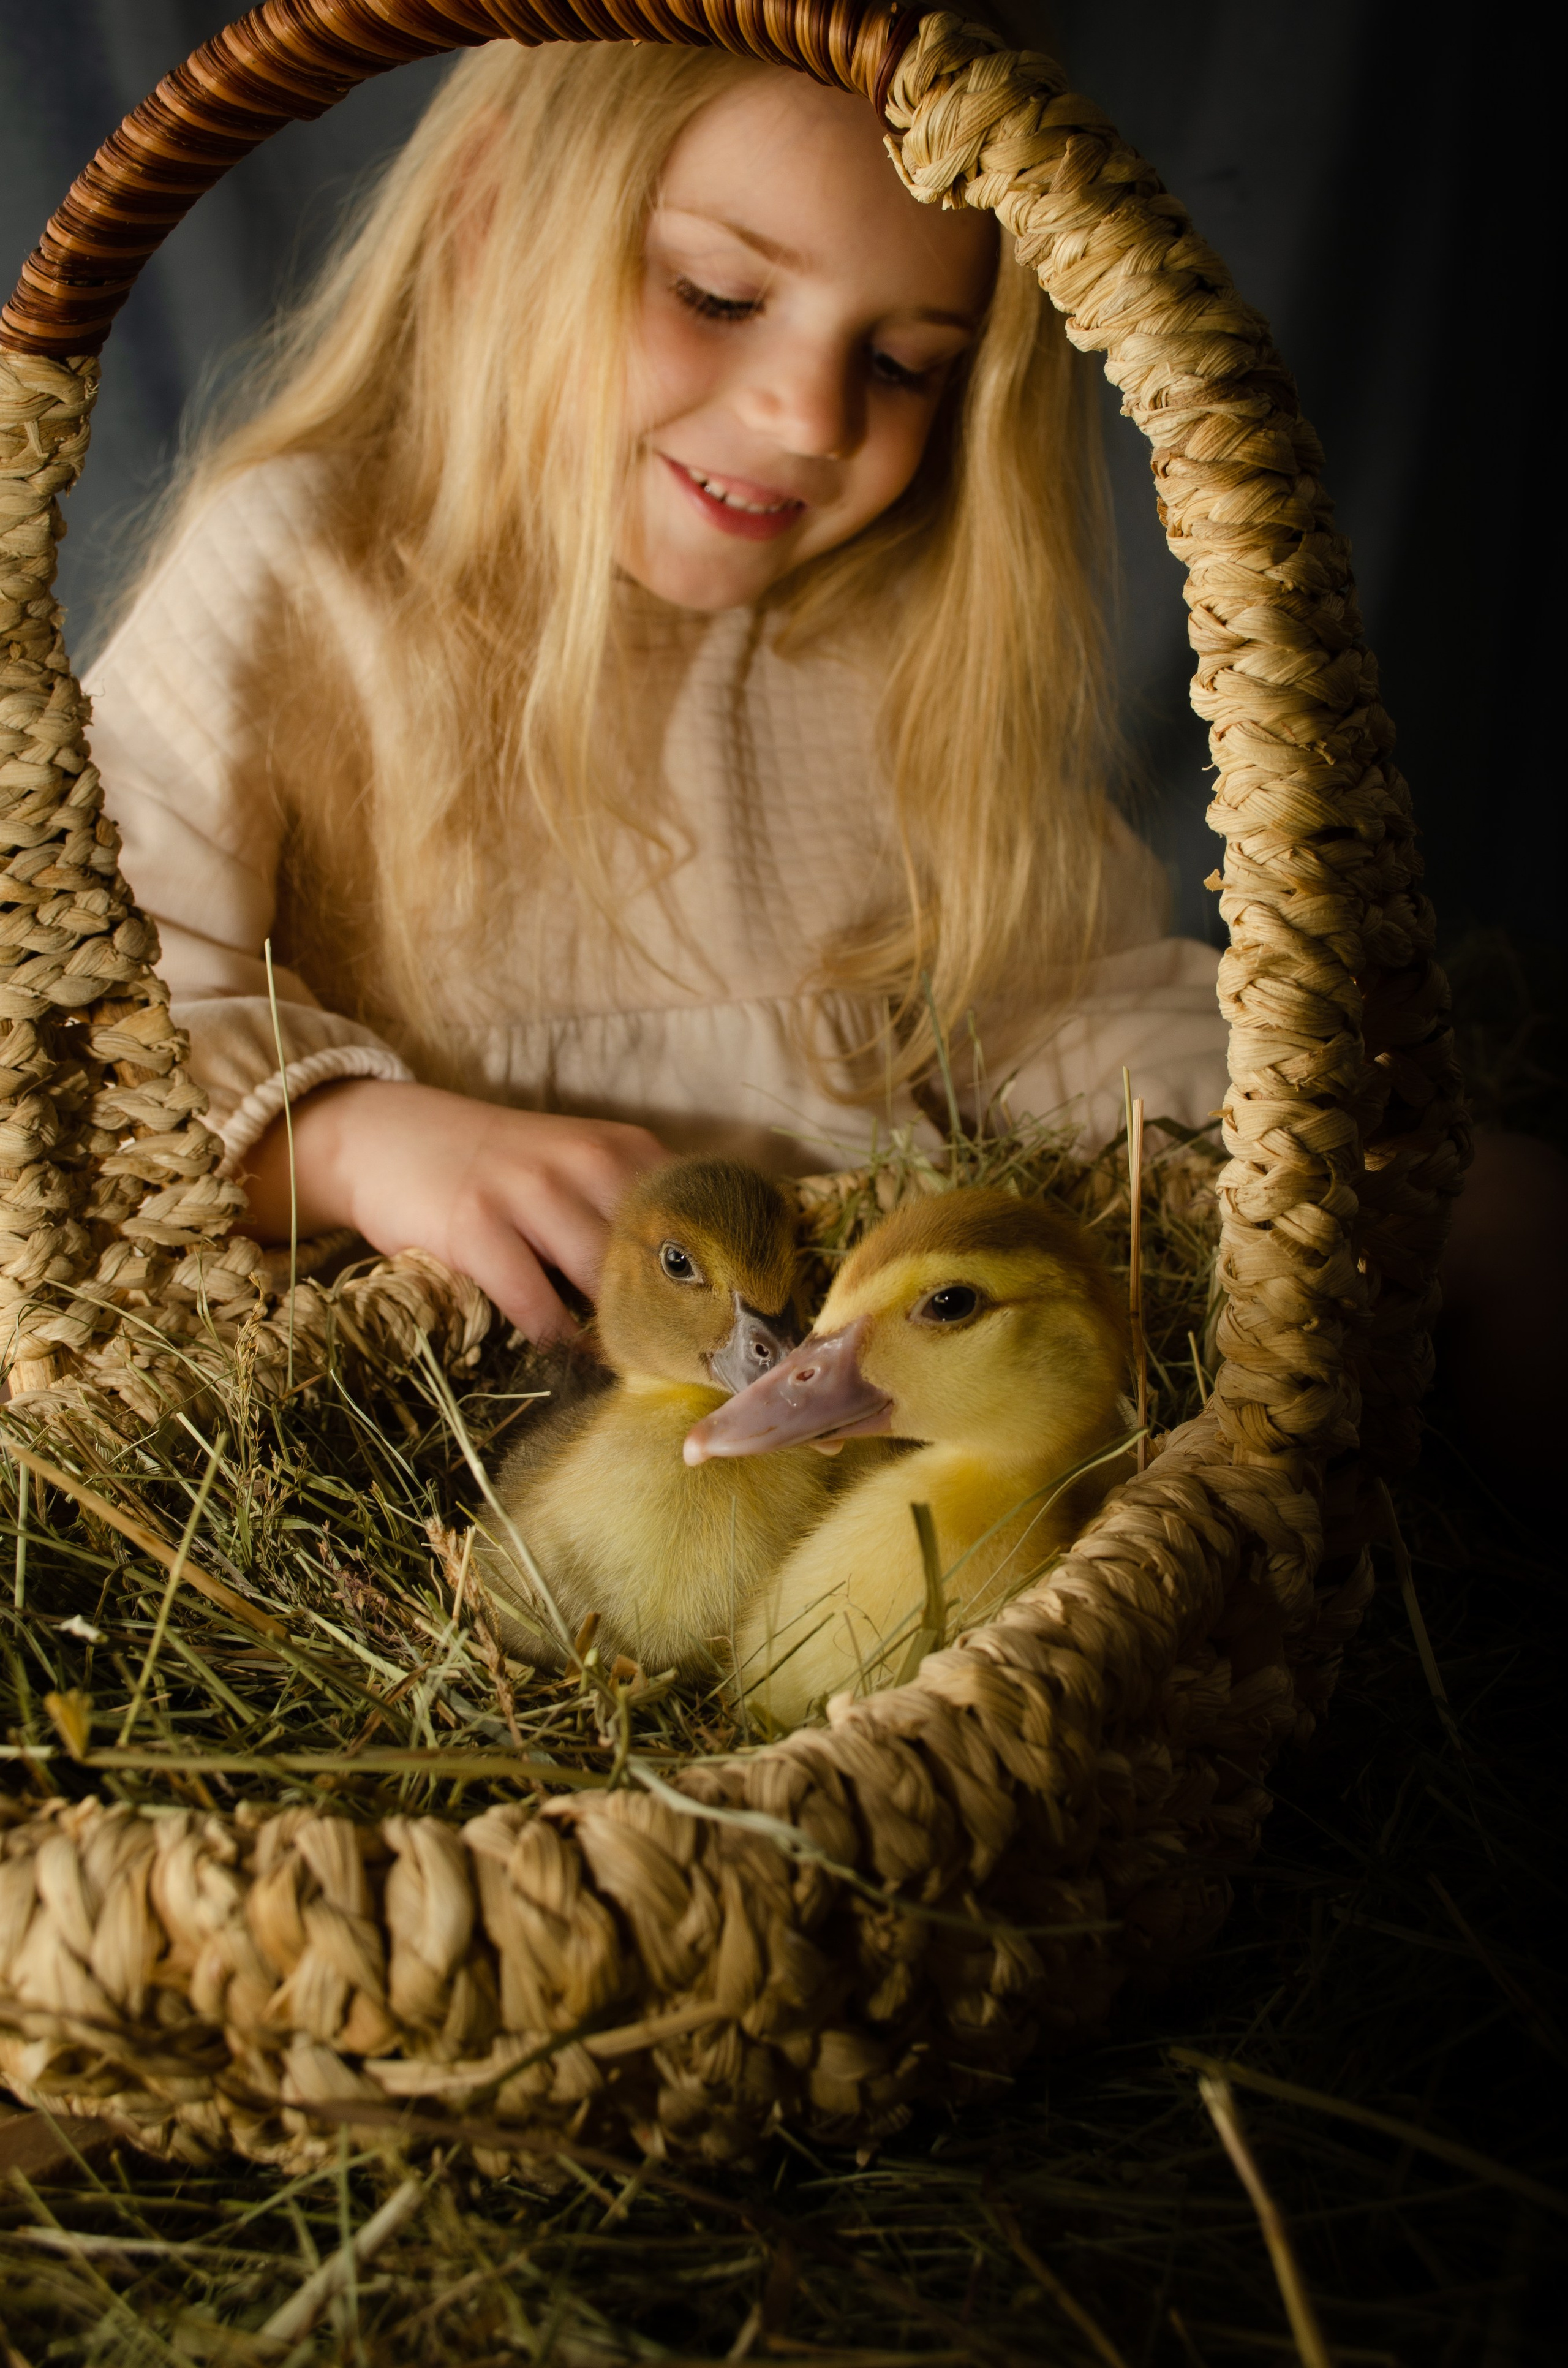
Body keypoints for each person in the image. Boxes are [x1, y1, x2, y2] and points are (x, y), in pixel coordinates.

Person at [83, 41, 1234, 1347]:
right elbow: (88, 1037)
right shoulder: (300, 572)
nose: (809, 417)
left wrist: (1289, 1137)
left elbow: (1061, 1012)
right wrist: (351, 1140)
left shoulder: (883, 636)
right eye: (718, 296)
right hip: (451, 1406)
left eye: (902, 365)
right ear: (488, 219)